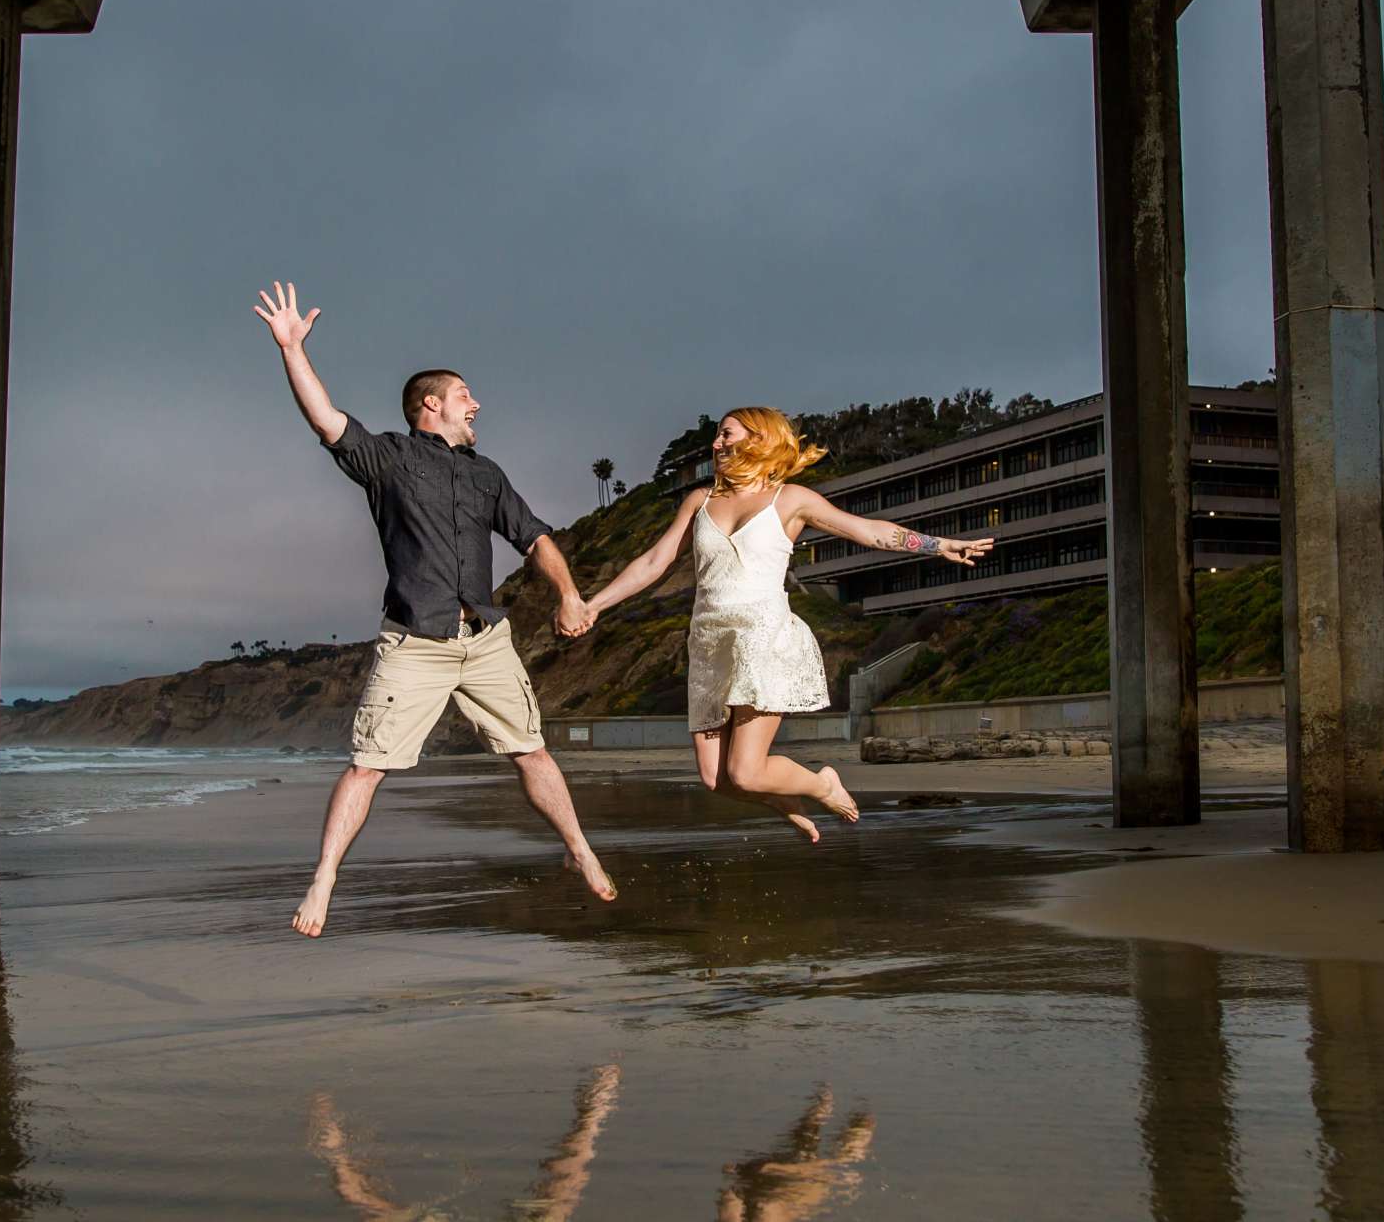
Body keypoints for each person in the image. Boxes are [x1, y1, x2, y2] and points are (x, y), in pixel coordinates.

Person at [255, 281, 617, 937]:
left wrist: (567, 591)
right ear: (430, 405)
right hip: (414, 640)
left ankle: (580, 846)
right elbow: (326, 418)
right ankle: (324, 878)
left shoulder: (487, 474)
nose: (476, 403)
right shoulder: (389, 458)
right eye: (463, 394)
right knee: (368, 764)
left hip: (484, 640)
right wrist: (292, 350)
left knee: (532, 751)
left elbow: (534, 536)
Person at [576, 408, 990, 838]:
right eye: (717, 437)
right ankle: (787, 801)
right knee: (716, 779)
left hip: (762, 639)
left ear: (757, 439)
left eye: (725, 435)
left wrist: (937, 545)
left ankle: (820, 784)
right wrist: (594, 605)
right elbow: (653, 562)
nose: (715, 445)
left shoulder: (790, 499)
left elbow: (868, 531)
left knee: (747, 773)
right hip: (709, 645)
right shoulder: (700, 501)